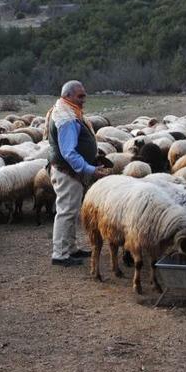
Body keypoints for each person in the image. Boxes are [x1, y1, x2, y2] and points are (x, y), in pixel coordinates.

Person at [45, 80, 111, 267]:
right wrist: (90, 169)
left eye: (84, 96)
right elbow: (69, 152)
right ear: (68, 96)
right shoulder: (65, 118)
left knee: (71, 211)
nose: (83, 100)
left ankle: (70, 248)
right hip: (67, 171)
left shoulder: (67, 111)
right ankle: (60, 254)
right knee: (66, 211)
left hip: (69, 171)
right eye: (80, 96)